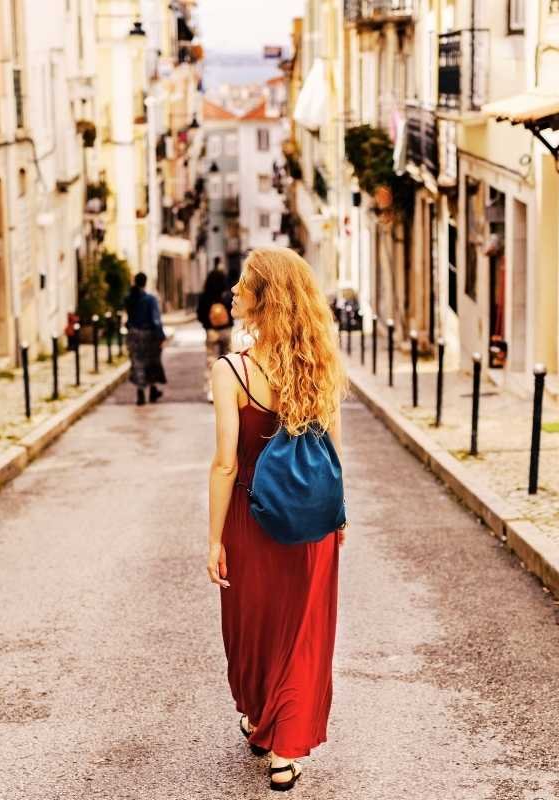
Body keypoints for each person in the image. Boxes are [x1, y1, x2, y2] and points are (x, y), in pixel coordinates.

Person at [205, 247, 347, 792]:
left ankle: (269, 731)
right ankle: (283, 747)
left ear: (264, 301)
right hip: (312, 517)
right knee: (303, 632)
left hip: (251, 514)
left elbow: (225, 462)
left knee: (254, 627)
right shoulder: (319, 364)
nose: (235, 292)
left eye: (244, 285)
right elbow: (334, 447)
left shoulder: (232, 372)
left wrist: (214, 538)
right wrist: (340, 510)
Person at [124, 272, 166, 405]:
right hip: (148, 334)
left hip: (133, 334)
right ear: (145, 282)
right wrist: (160, 336)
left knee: (137, 363)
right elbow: (156, 320)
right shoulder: (150, 299)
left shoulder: (129, 298)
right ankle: (152, 390)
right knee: (152, 362)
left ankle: (140, 392)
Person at [196, 268, 234, 402]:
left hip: (211, 332)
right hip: (226, 330)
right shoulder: (227, 295)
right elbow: (233, 312)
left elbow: (199, 314)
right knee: (229, 361)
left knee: (211, 361)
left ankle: (212, 392)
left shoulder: (205, 296)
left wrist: (207, 325)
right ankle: (228, 389)